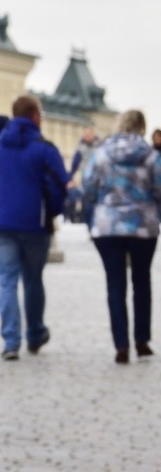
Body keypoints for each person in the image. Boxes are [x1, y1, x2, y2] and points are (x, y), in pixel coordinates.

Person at [82, 109, 161, 364]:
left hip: (108, 226)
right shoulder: (150, 155)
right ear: (142, 127)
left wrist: (101, 204)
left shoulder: (101, 153)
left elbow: (88, 186)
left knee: (115, 284)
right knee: (142, 281)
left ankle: (121, 345)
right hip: (142, 225)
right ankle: (142, 341)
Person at [0, 96, 68, 360]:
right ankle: (35, 333)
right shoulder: (44, 149)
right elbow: (60, 185)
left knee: (6, 281)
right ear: (35, 116)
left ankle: (11, 341)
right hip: (35, 224)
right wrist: (53, 211)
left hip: (3, 224)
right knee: (33, 280)